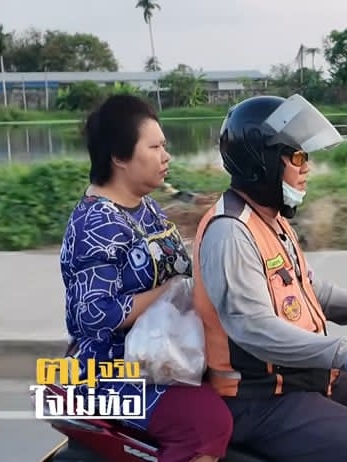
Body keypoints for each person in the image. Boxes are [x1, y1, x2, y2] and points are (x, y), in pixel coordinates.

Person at [190, 94, 347, 462]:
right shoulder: (230, 233)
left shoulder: (271, 221)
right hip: (258, 399)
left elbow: (307, 292)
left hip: (301, 379)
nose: (307, 168)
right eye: (298, 157)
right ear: (263, 161)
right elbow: (255, 329)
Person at [59, 94, 233, 462]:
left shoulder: (146, 206)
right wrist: (168, 290)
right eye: (154, 147)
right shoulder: (95, 224)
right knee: (207, 424)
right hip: (114, 373)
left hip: (164, 353)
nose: (166, 156)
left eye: (164, 146)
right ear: (119, 157)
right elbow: (92, 315)